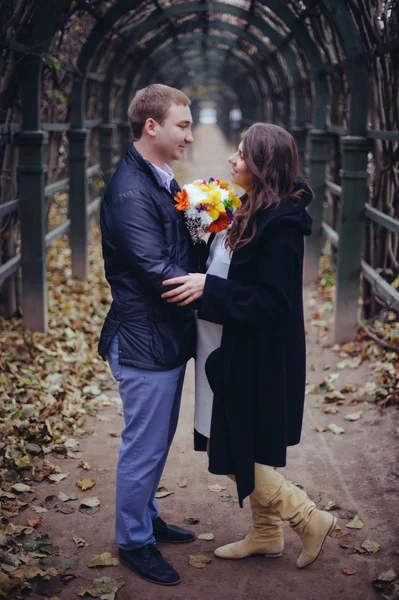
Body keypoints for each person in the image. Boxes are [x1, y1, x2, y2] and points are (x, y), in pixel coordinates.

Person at [162, 122, 337, 569]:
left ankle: (306, 516)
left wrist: (208, 289)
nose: (231, 160)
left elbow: (273, 303)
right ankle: (265, 533)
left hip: (252, 354)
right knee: (238, 440)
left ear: (261, 165)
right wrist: (200, 226)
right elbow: (227, 267)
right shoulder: (249, 209)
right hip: (222, 345)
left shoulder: (280, 227)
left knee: (236, 441)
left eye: (240, 155)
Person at [98, 84, 199, 587]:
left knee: (155, 441)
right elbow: (155, 269)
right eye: (183, 125)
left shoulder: (156, 177)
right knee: (144, 445)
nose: (190, 134)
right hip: (143, 340)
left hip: (160, 336)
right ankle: (134, 541)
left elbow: (176, 242)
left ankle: (146, 516)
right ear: (151, 126)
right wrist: (212, 281)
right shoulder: (130, 191)